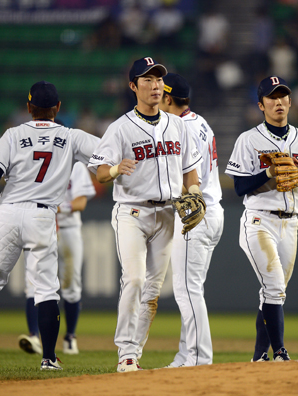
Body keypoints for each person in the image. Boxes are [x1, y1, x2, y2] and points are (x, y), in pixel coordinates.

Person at [0, 81, 99, 370]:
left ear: (29, 108)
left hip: (8, 213)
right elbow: (107, 150)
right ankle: (49, 358)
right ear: (58, 108)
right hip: (43, 216)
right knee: (45, 289)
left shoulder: (13, 134)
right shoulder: (71, 136)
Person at [88, 57, 203, 373]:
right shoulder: (120, 127)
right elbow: (99, 173)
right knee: (135, 279)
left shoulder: (177, 125)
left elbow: (190, 171)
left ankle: (133, 355)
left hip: (168, 213)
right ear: (133, 86)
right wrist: (113, 169)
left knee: (152, 292)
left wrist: (193, 193)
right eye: (147, 80)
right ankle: (125, 351)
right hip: (132, 212)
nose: (155, 85)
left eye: (158, 80)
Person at [225, 76, 298, 362]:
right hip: (259, 220)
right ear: (261, 105)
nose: (278, 102)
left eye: (283, 96)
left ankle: (259, 356)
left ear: (290, 102)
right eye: (272, 97)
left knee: (273, 294)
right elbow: (240, 187)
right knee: (274, 286)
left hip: (290, 222)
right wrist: (268, 173)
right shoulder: (249, 139)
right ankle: (279, 351)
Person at [158, 73, 224, 367]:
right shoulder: (199, 122)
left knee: (187, 291)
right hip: (211, 211)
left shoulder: (179, 127)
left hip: (195, 213)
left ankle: (199, 359)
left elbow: (183, 177)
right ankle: (185, 355)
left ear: (167, 99)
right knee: (191, 288)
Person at [18, 160, 96, 355]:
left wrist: (57, 208)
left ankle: (70, 336)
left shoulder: (75, 165)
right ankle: (34, 337)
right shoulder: (34, 162)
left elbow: (81, 202)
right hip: (41, 228)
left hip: (68, 230)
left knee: (71, 285)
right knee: (33, 283)